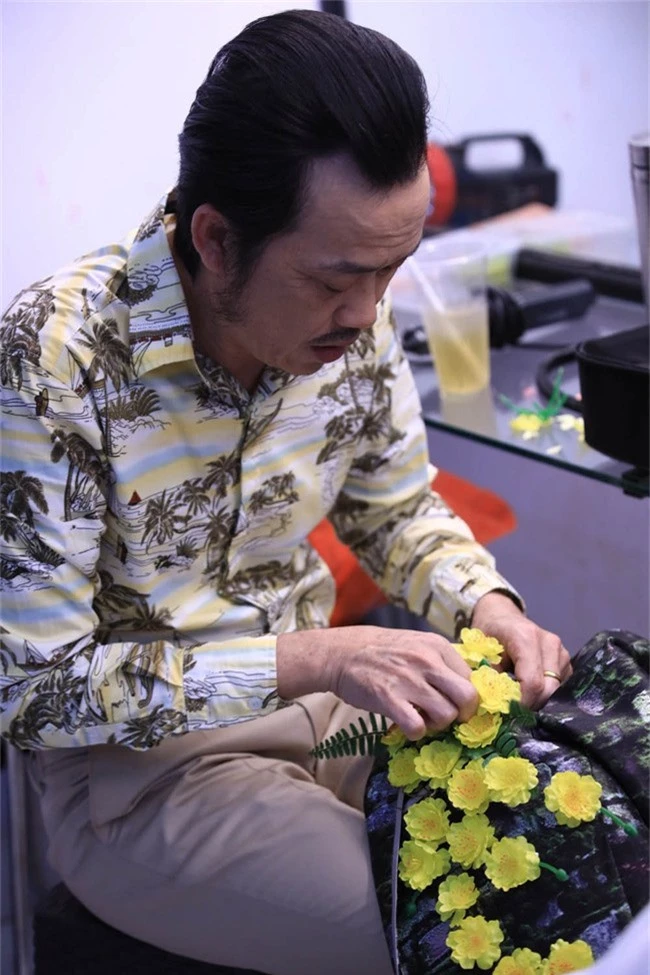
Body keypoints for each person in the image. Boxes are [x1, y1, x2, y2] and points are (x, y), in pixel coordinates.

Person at [0, 10, 571, 974]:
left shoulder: (351, 313)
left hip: (333, 714)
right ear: (216, 240)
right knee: (456, 933)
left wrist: (489, 606)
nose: (368, 311)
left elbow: (394, 509)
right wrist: (318, 656)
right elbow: (36, 690)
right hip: (145, 777)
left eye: (392, 269)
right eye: (337, 279)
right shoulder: (55, 359)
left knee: (576, 850)